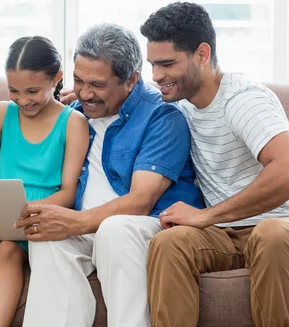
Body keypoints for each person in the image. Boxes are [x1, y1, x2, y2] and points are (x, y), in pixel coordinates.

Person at [140, 1, 289, 327]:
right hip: (224, 237)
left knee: (271, 233)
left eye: (167, 64)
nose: (157, 76)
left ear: (202, 54)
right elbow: (127, 94)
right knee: (170, 242)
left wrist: (206, 216)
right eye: (153, 65)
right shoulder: (179, 105)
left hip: (288, 231)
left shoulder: (242, 100)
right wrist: (83, 97)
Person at [15, 23, 204, 327]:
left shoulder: (162, 116)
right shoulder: (72, 113)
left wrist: (72, 221)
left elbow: (141, 202)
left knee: (115, 231)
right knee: (47, 238)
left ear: (131, 79)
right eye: (79, 80)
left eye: (98, 85)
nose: (85, 93)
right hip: (88, 225)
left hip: (144, 224)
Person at [0, 36, 89, 327]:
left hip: (35, 217)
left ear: (57, 79)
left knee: (7, 250)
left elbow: (68, 192)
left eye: (33, 91)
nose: (23, 100)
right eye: (14, 90)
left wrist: (26, 211)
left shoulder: (73, 123)